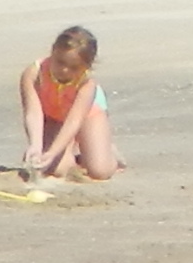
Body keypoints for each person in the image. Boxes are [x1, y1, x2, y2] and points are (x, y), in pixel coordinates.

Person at [19, 25, 120, 181]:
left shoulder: (87, 84)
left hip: (87, 115)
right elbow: (33, 112)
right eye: (60, 62)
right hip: (53, 116)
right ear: (53, 51)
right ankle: (71, 149)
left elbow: (74, 121)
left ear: (88, 66)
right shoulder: (34, 73)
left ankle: (107, 151)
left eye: (74, 67)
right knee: (57, 169)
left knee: (100, 171)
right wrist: (36, 145)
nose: (65, 71)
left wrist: (53, 152)